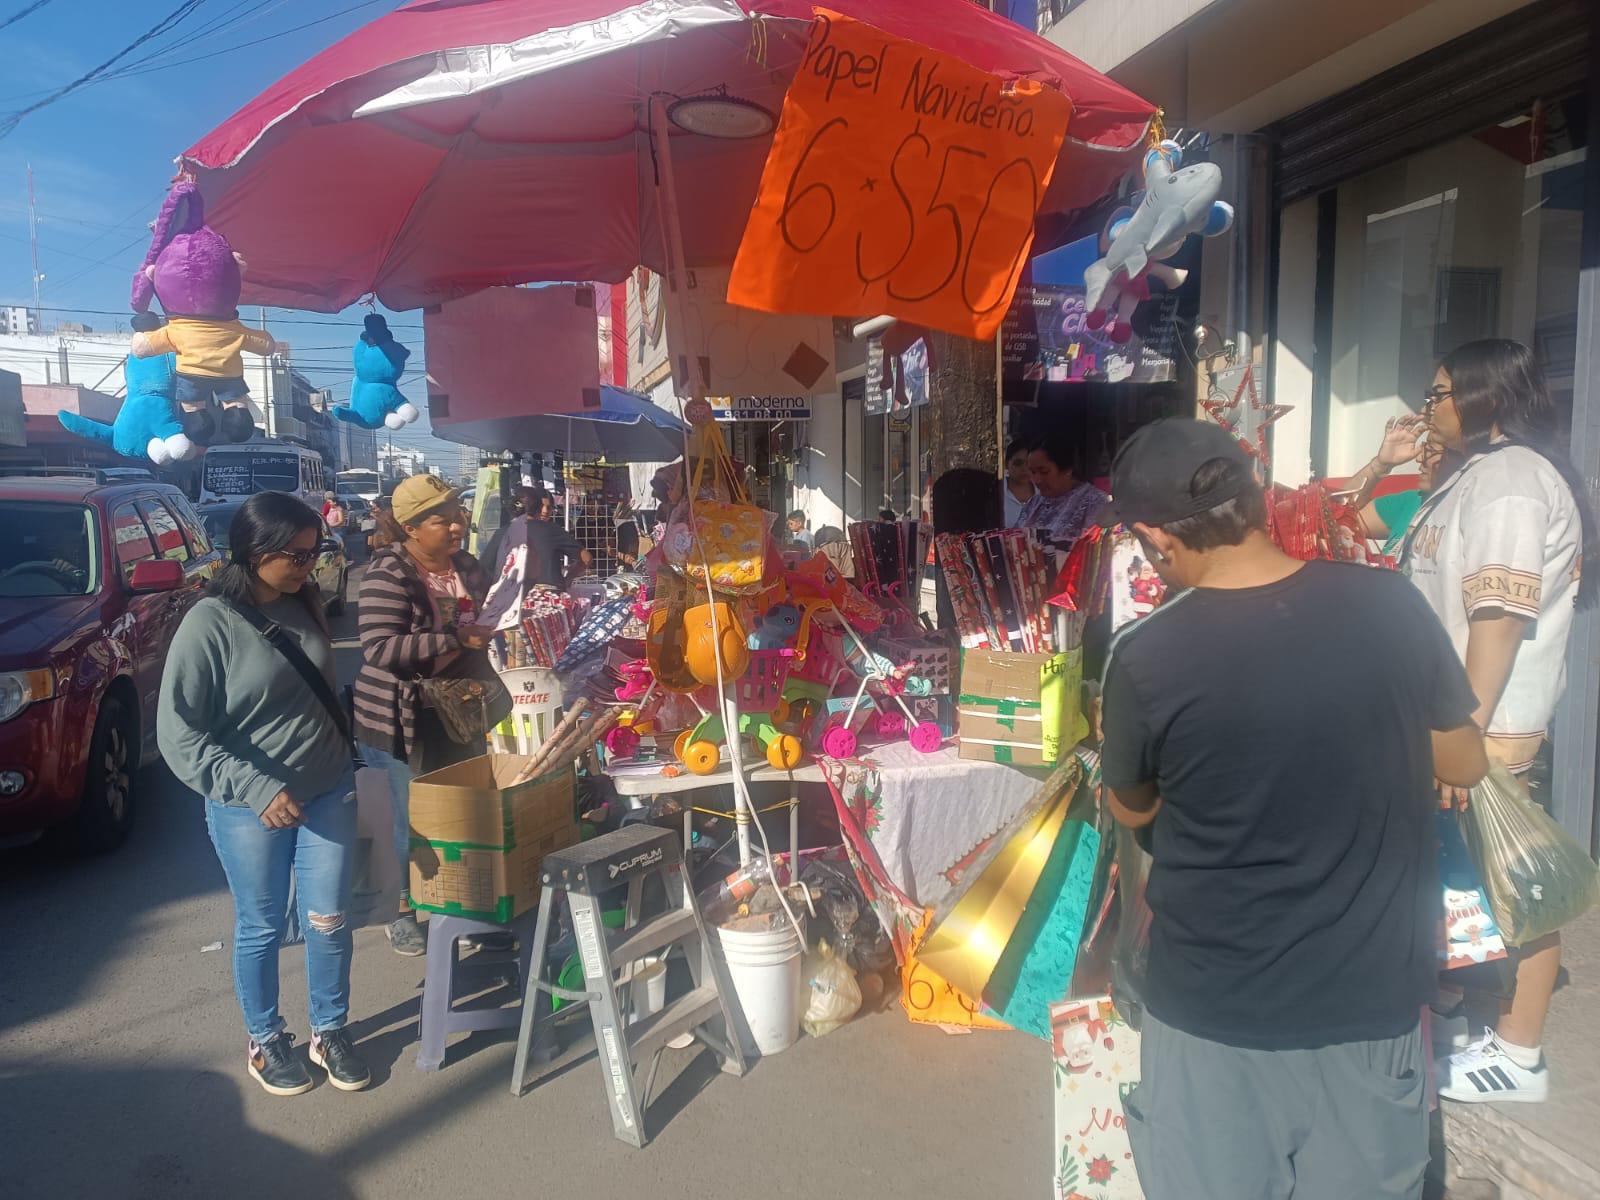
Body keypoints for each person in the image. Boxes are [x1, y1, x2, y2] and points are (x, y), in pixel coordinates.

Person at [1098, 419, 1486, 1200]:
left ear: (1155, 539)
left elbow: (1131, 810)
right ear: (1252, 499)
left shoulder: (1144, 657)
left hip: (1214, 1011)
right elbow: (1463, 760)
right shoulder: (1391, 604)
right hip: (1371, 1002)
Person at [1406, 339, 1596, 1105]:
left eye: (1441, 392)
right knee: (1457, 870)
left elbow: (1498, 619)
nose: (1429, 407)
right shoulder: (1479, 476)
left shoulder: (1514, 481)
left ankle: (1520, 1053)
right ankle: (1451, 1009)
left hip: (1480, 721)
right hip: (1453, 715)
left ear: (1485, 397)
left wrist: (1466, 733)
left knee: (1511, 877)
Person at [157, 491, 371, 1097]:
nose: (311, 566)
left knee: (329, 918)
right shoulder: (209, 623)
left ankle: (331, 1029)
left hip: (328, 789)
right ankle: (266, 1038)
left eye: (315, 552)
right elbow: (179, 734)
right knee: (262, 925)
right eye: (298, 556)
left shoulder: (306, 602)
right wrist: (253, 785)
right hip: (250, 805)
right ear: (254, 554)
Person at [353, 474, 495, 957]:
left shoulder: (468, 567)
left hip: (457, 709)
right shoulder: (389, 572)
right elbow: (378, 648)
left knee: (459, 812)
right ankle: (401, 912)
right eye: (443, 519)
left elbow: (484, 617)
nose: (457, 526)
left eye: (457, 514)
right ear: (411, 528)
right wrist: (454, 639)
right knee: (405, 821)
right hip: (399, 718)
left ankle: (459, 907)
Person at [1020, 432, 1108, 551]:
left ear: (1067, 469)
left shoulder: (1096, 502)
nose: (1037, 480)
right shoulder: (1034, 503)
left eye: (1044, 471)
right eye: (1033, 472)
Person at [1002, 438, 1035, 527]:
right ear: (1006, 464)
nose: (1024, 469)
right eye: (1018, 463)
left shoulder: (1045, 494)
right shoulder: (995, 493)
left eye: (1029, 463)